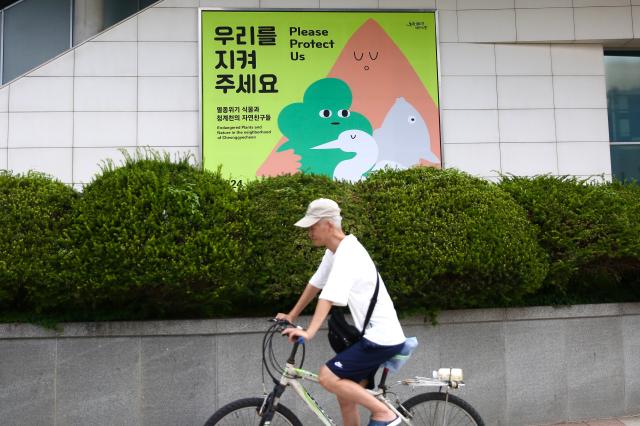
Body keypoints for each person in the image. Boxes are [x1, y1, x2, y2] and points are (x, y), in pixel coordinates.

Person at [277, 198, 406, 426]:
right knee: (345, 396)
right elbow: (316, 283)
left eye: (313, 226)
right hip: (375, 336)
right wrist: (291, 315)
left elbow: (328, 297)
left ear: (328, 224)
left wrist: (309, 332)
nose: (309, 232)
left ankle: (385, 413)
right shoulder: (335, 251)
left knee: (327, 377)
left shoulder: (349, 253)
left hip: (381, 338)